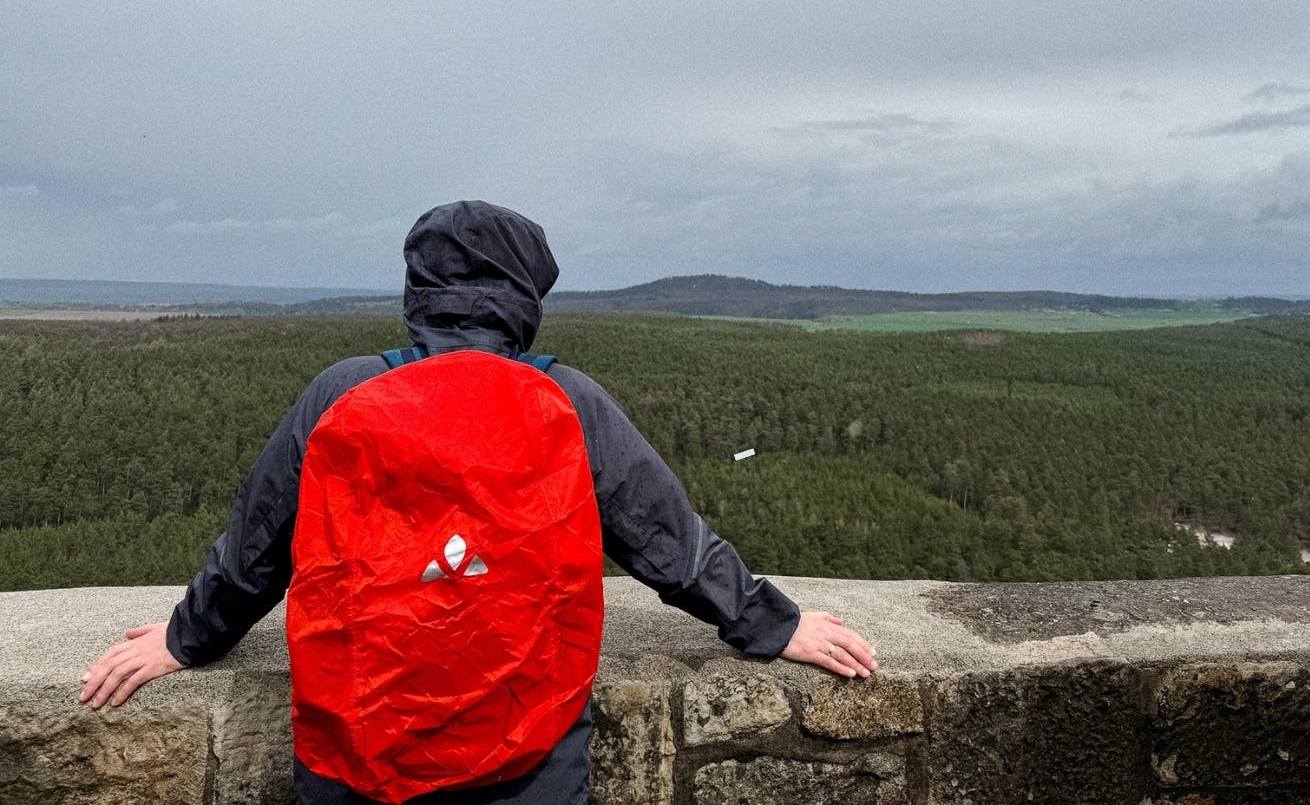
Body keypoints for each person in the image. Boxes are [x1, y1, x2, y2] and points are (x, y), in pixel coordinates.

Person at [80, 200, 876, 804]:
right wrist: (775, 624)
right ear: (526, 295)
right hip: (526, 751)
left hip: (357, 751)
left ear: (418, 289)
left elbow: (256, 547)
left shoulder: (345, 390)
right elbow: (668, 540)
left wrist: (187, 640)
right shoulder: (566, 398)